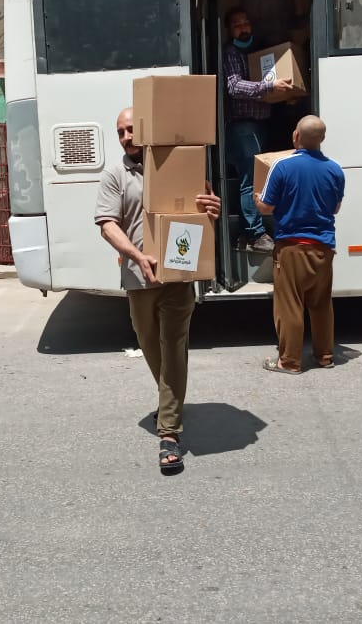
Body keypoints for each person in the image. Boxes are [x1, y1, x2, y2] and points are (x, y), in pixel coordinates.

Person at [94, 107, 221, 475]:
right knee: (151, 347)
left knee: (173, 347)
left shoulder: (178, 168)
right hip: (138, 278)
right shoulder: (115, 175)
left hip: (179, 276)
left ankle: (169, 434)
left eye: (132, 129)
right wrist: (136, 256)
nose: (126, 137)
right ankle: (171, 402)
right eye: (120, 132)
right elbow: (107, 224)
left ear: (146, 130)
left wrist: (212, 208)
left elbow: (204, 212)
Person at [254, 115, 345, 374]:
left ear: (296, 137)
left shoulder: (282, 166)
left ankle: (289, 361)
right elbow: (335, 208)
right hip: (324, 248)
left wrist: (257, 199)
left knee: (290, 304)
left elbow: (267, 207)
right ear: (322, 139)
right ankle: (325, 355)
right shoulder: (335, 170)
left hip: (291, 246)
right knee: (320, 304)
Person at [222, 7, 295, 254]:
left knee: (257, 177)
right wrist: (268, 86)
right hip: (243, 126)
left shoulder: (256, 53)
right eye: (237, 25)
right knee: (250, 179)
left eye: (246, 23)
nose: (244, 28)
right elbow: (234, 86)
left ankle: (248, 234)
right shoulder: (231, 53)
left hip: (260, 123)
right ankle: (254, 234)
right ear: (229, 31)